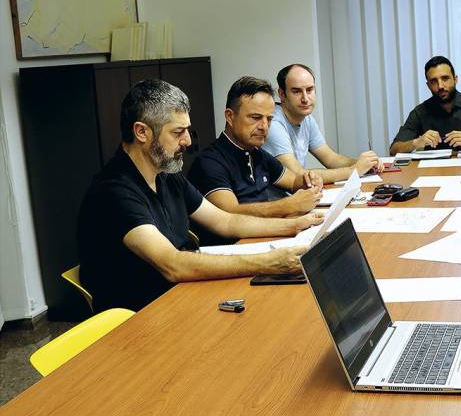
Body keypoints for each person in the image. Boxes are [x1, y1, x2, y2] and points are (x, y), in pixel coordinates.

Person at [78, 79, 324, 312]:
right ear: (142, 132)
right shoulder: (114, 191)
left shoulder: (166, 173)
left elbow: (225, 221)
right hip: (144, 317)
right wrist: (267, 262)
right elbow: (172, 264)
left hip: (182, 295)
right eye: (177, 132)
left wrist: (293, 225)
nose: (186, 140)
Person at [188, 76, 323, 218]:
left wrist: (309, 180)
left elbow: (294, 182)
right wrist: (288, 205)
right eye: (255, 118)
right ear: (230, 116)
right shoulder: (209, 162)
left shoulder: (257, 152)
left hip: (266, 234)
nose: (264, 127)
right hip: (238, 240)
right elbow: (230, 214)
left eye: (269, 119)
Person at [262, 63, 382, 184]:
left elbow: (331, 159)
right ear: (282, 94)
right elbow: (297, 174)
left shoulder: (307, 119)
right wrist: (354, 170)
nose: (305, 99)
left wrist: (366, 164)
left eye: (309, 90)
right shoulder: (273, 123)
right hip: (276, 198)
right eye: (296, 91)